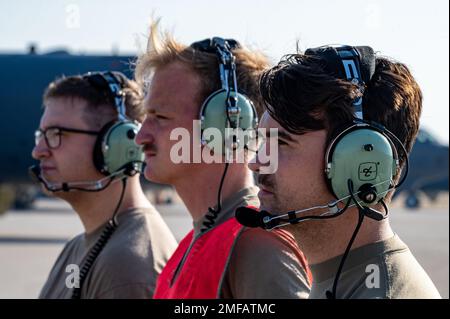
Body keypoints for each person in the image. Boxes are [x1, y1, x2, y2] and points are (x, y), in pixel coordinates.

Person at [246, 45, 441, 298]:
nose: (256, 161)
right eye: (263, 142)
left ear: (360, 162)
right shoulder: (342, 279)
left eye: (281, 142)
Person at [134, 23, 311, 299]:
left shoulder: (257, 245)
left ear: (226, 125)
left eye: (160, 118)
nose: (141, 136)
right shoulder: (195, 243)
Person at [32, 71, 177, 298]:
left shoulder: (127, 267)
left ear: (119, 144)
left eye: (56, 134)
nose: (38, 151)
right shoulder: (77, 248)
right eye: (41, 135)